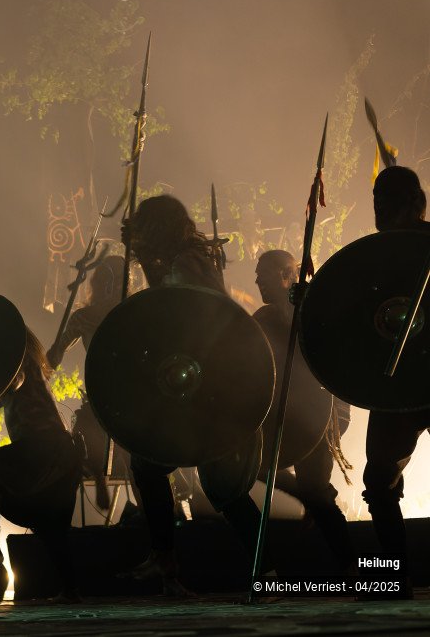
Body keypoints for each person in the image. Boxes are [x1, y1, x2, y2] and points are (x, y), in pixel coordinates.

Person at [117, 194, 273, 595]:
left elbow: (188, 312)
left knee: (224, 487)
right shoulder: (177, 261)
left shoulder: (188, 262)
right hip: (194, 381)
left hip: (208, 385)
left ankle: (266, 571)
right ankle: (167, 563)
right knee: (151, 465)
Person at [0, 328, 83, 602]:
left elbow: (14, 382)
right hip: (59, 453)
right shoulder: (20, 363)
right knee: (51, 528)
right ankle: (71, 590)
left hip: (46, 448)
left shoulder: (20, 360)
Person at [253, 250, 356, 573]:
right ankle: (312, 496)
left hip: (321, 413)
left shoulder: (312, 309)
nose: (256, 280)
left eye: (264, 274)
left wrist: (302, 305)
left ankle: (354, 569)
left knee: (315, 492)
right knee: (252, 463)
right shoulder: (264, 318)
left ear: (286, 275)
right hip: (284, 414)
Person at [361, 166, 430, 574]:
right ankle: (391, 571)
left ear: (414, 204)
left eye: (390, 200)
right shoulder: (372, 254)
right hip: (397, 382)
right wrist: (312, 297)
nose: (380, 208)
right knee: (379, 479)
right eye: (376, 200)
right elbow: (351, 305)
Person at [47, 255, 131, 508]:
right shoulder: (84, 317)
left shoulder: (132, 312)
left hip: (129, 394)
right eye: (107, 280)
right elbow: (55, 356)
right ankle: (95, 472)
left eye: (114, 281)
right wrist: (50, 357)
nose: (111, 286)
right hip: (102, 394)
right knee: (87, 429)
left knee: (133, 459)